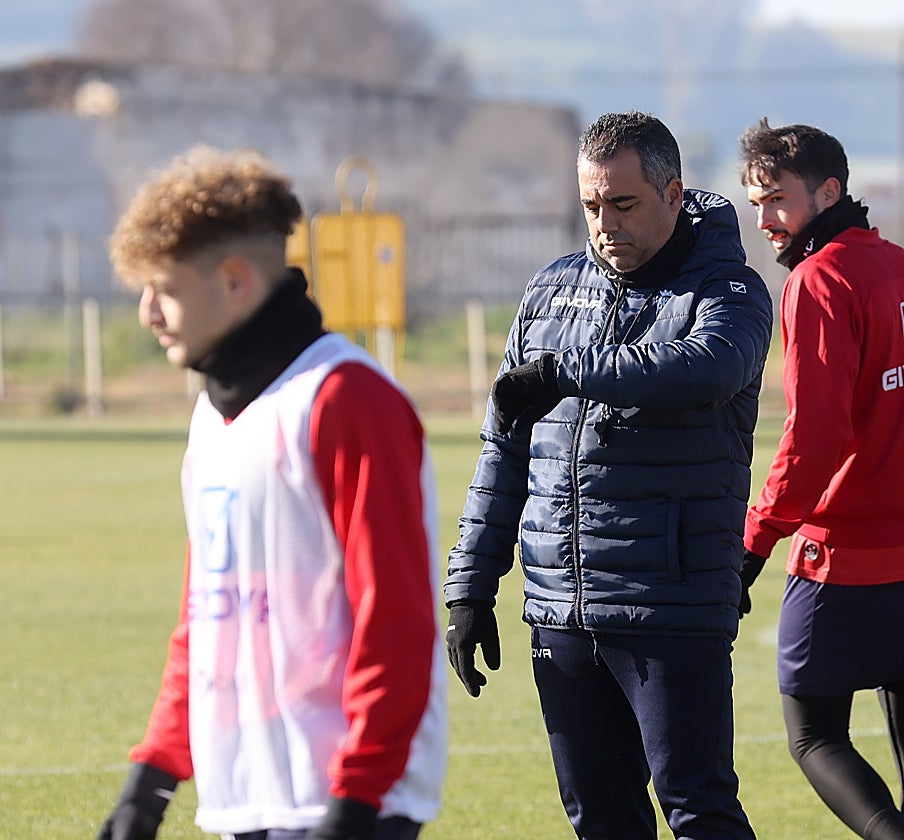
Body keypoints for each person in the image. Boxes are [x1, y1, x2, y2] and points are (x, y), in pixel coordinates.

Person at [94, 146, 446, 840]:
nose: (146, 313)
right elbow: (205, 614)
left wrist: (354, 801)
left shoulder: (348, 401)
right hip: (244, 800)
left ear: (233, 280)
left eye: (162, 288)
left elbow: (395, 622)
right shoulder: (211, 416)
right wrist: (153, 780)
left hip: (348, 804)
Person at [445, 111, 772, 839]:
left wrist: (566, 373)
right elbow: (502, 451)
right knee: (599, 820)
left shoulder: (730, 291)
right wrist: (469, 585)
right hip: (560, 611)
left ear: (674, 194)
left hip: (670, 607)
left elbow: (701, 370)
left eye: (623, 204)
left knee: (698, 808)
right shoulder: (551, 291)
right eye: (591, 205)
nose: (604, 223)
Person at [737, 118, 904, 839]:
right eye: (755, 203)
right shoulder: (897, 263)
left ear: (829, 191)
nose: (766, 220)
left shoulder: (818, 279)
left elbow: (817, 437)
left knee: (813, 736)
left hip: (842, 562)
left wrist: (753, 544)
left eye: (777, 199)